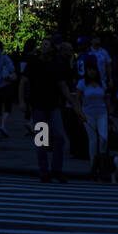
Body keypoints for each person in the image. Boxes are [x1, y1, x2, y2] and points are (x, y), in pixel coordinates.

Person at [19, 37, 80, 182]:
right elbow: (22, 82)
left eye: (46, 44)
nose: (43, 46)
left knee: (59, 137)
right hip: (38, 106)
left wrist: (73, 103)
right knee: (42, 141)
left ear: (52, 48)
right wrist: (21, 101)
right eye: (42, 44)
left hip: (53, 106)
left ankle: (56, 170)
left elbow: (62, 86)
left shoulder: (55, 64)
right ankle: (44, 171)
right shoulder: (34, 63)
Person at [76, 59, 112, 178]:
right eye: (90, 70)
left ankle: (102, 162)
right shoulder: (82, 83)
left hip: (102, 113)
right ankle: (93, 164)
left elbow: (106, 98)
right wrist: (80, 112)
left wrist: (109, 112)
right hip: (88, 113)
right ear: (86, 71)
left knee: (104, 138)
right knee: (93, 140)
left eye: (94, 70)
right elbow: (77, 99)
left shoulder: (102, 82)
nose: (92, 72)